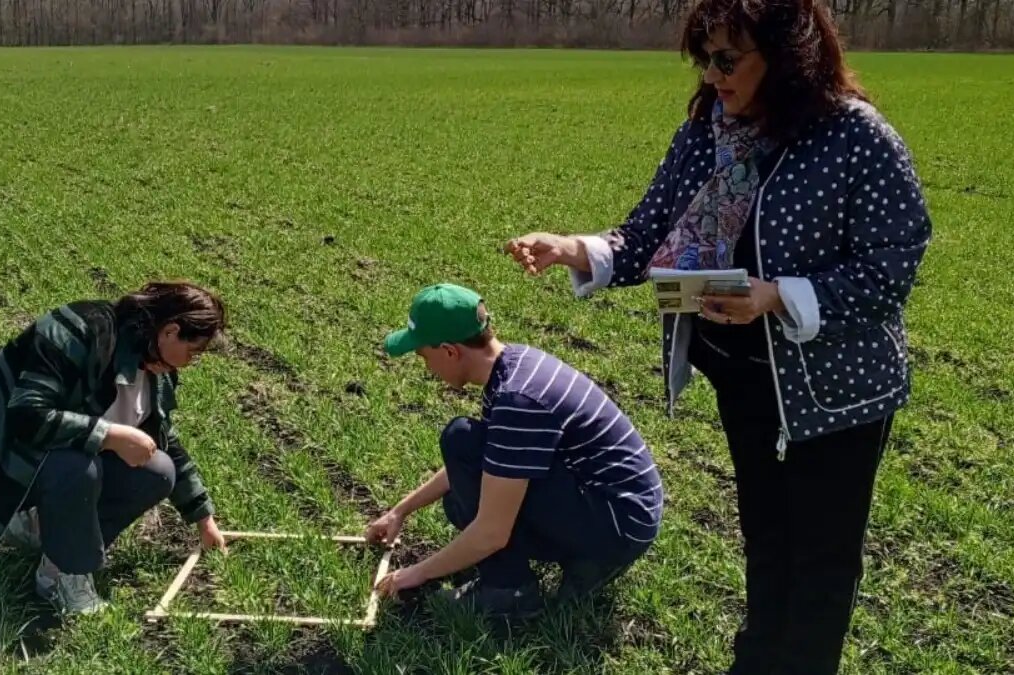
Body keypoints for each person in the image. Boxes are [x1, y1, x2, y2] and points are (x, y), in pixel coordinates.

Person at [505, 0, 931, 670]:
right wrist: (571, 249)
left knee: (820, 557)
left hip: (837, 388)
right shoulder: (707, 130)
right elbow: (644, 235)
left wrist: (779, 296)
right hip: (745, 377)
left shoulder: (856, 139)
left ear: (788, 57)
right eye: (704, 58)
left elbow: (891, 265)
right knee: (765, 535)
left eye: (727, 59)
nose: (711, 75)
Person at [0, 281, 230, 615]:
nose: (190, 362)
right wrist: (108, 435)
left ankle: (49, 546)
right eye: (193, 352)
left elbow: (167, 441)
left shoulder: (157, 368)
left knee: (159, 470)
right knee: (78, 466)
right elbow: (27, 416)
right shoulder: (82, 331)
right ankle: (64, 575)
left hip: (56, 465)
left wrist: (203, 519)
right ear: (170, 331)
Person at [367, 283, 664, 618]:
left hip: (618, 523)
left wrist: (417, 573)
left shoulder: (518, 401)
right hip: (615, 509)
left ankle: (511, 590)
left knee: (461, 443)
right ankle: (583, 564)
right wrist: (400, 511)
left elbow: (491, 532)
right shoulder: (515, 365)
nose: (427, 369)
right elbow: (489, 460)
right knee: (461, 489)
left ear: (450, 351)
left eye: (423, 356)